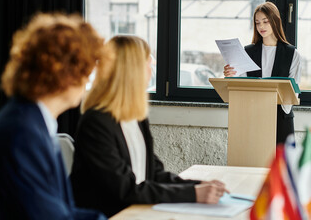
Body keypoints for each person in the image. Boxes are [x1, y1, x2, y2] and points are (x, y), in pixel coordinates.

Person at [70, 35, 228, 217]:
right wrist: (193, 194)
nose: (151, 67)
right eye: (148, 60)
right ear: (133, 70)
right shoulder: (96, 123)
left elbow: (154, 173)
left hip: (137, 210)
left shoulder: (135, 116)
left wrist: (197, 185)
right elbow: (125, 189)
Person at [0, 13, 107, 220]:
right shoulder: (23, 134)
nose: (88, 82)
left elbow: (62, 211)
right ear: (66, 73)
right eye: (87, 71)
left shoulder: (34, 121)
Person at [223, 1, 302, 144]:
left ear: (275, 21)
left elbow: (293, 92)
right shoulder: (247, 52)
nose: (261, 27)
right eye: (257, 22)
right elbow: (240, 85)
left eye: (265, 22)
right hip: (253, 116)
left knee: (281, 165)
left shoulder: (292, 53)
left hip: (281, 119)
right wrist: (231, 74)